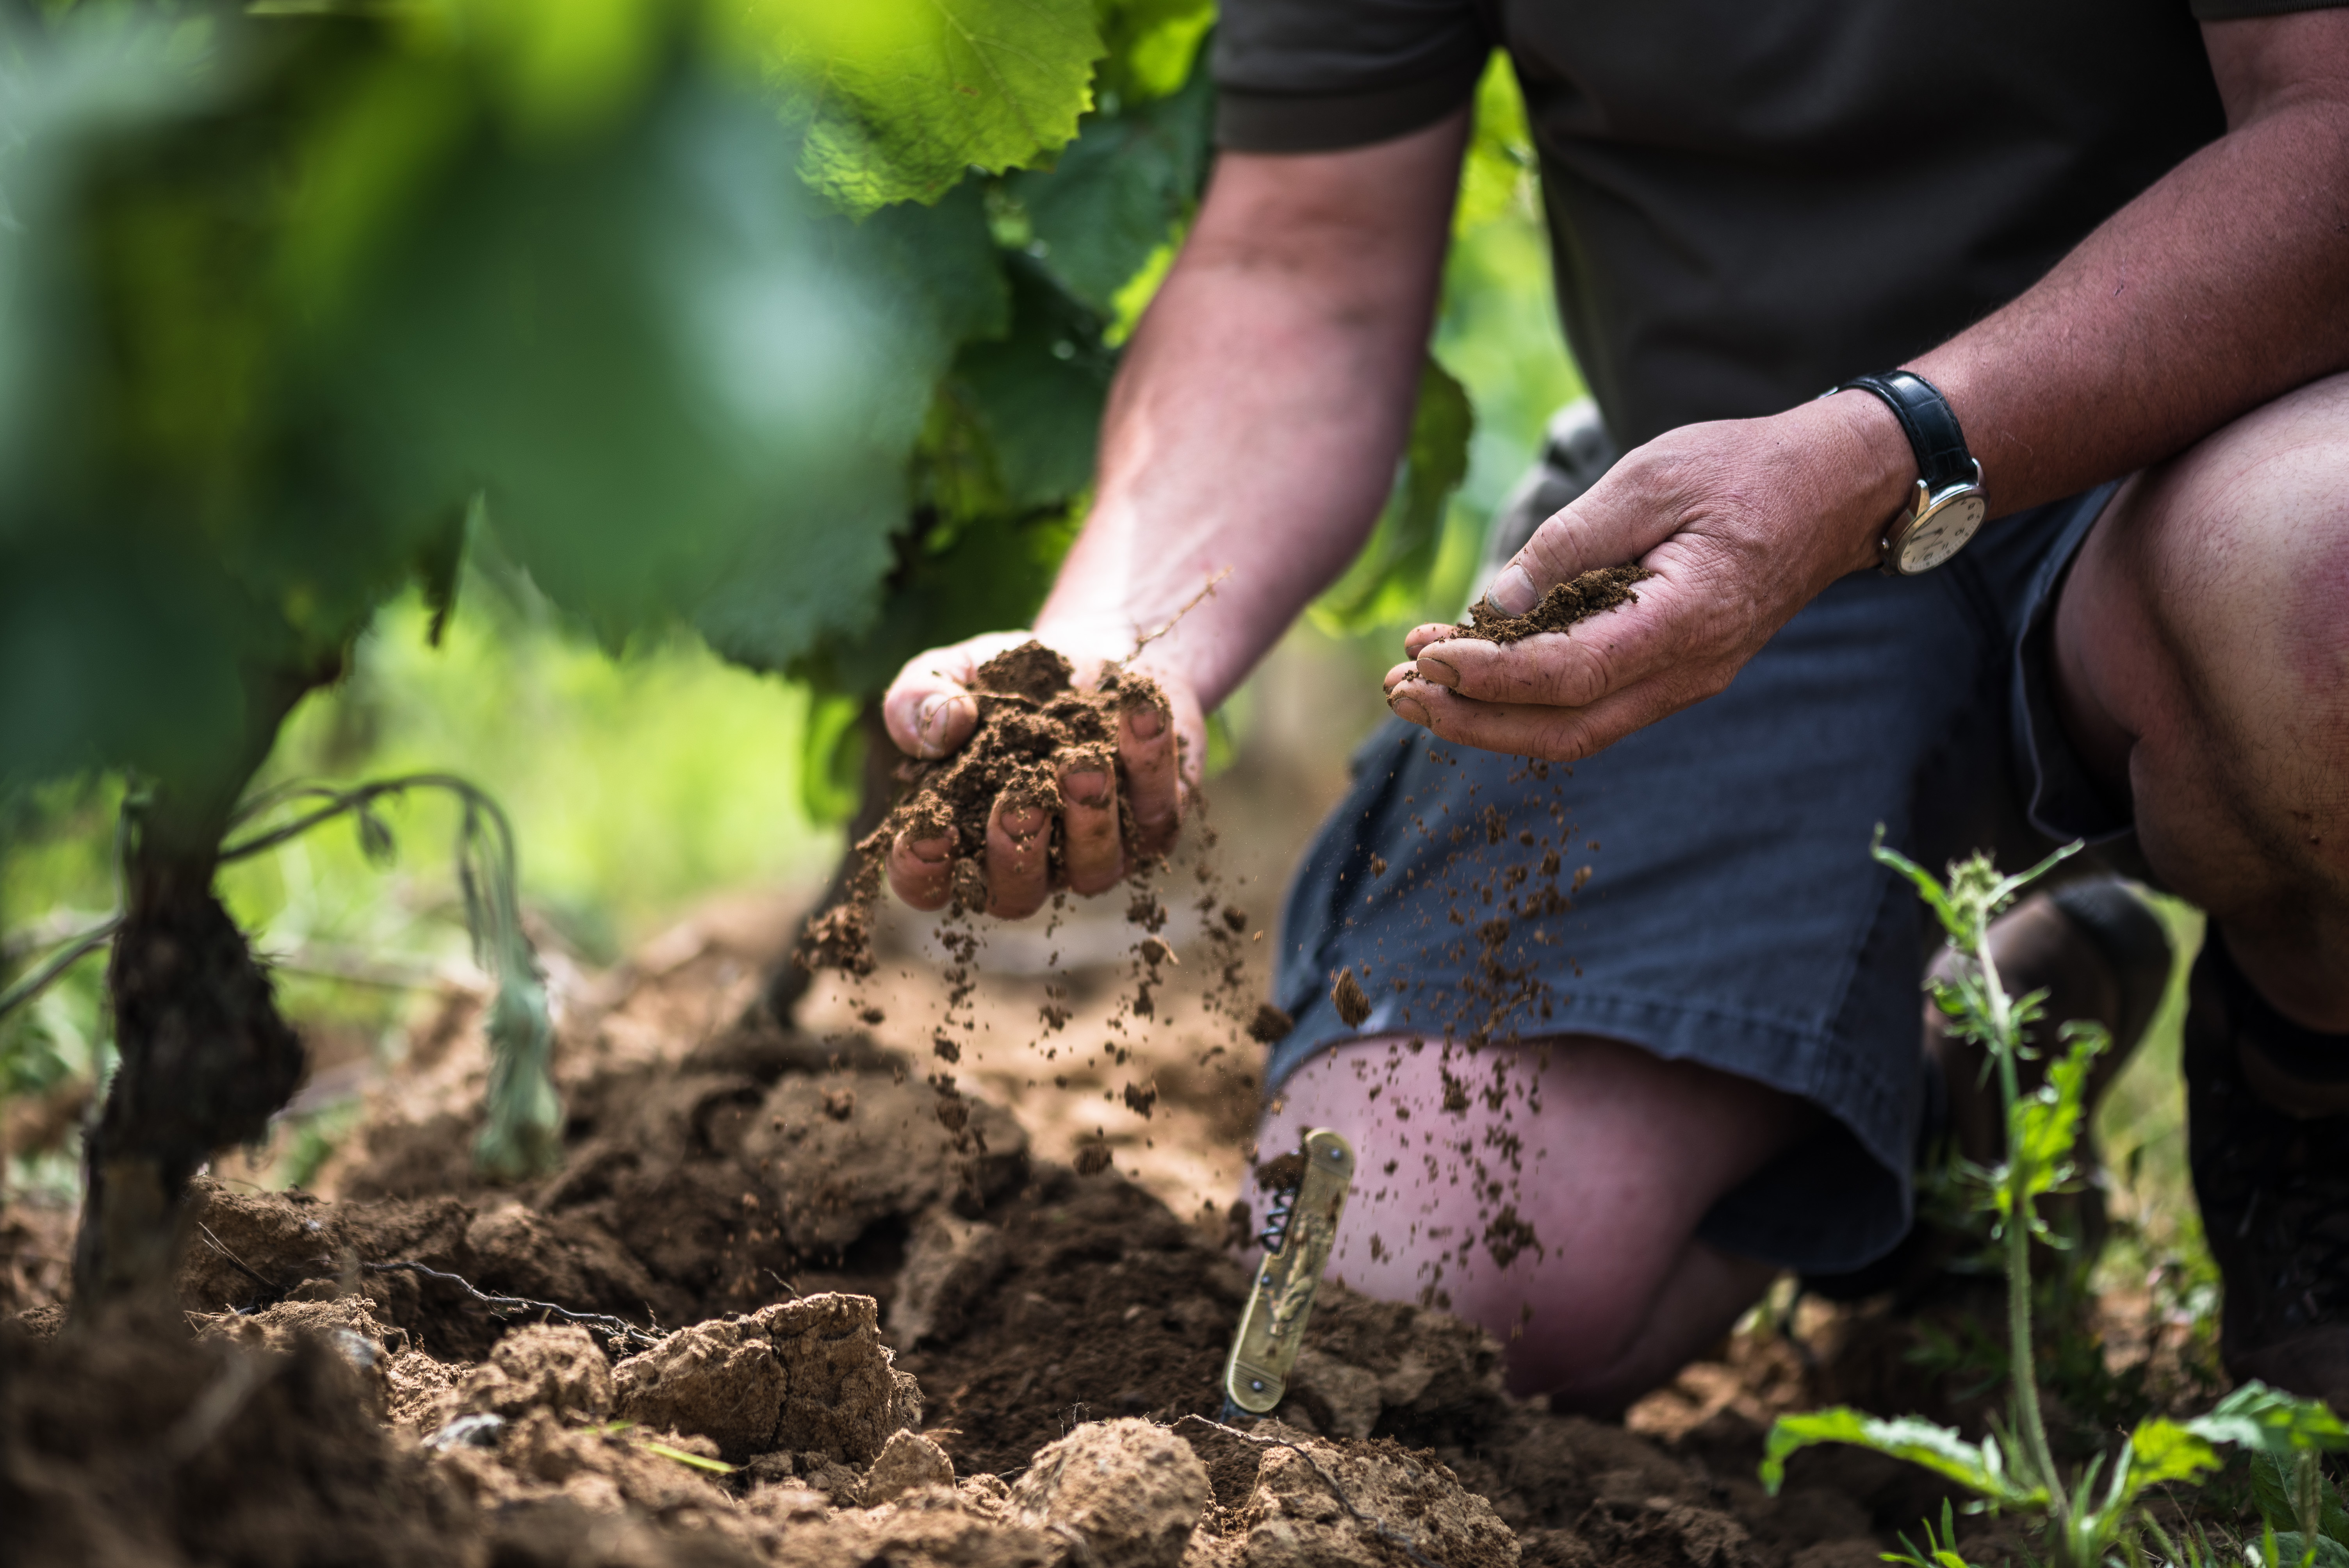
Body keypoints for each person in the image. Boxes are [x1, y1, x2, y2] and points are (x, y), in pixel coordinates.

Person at [873, 0, 2349, 1413]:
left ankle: (2311, 1087)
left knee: (2326, 600)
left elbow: (2329, 131)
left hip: (2200, 444)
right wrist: (1114, 647)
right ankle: (1958, 1063)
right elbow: (1300, 263)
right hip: (1704, 525)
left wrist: (1878, 452)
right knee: (1407, 1290)